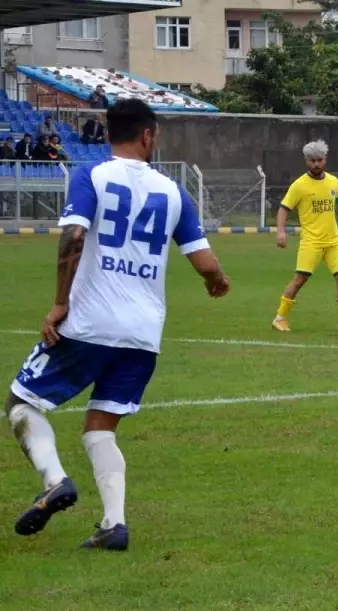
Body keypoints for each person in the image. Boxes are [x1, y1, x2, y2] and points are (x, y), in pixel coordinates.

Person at [5, 98, 231, 551]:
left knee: (19, 402)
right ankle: (113, 525)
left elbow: (73, 233)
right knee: (100, 426)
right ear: (148, 135)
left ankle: (55, 481)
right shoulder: (174, 191)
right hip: (143, 335)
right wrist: (217, 282)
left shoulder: (92, 175)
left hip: (91, 323)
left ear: (110, 133)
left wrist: (58, 303)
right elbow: (205, 261)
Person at [272, 140, 338, 332]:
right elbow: (283, 209)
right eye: (312, 160)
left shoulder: (333, 182)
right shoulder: (299, 185)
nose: (316, 164)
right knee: (300, 279)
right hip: (311, 241)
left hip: (334, 240)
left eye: (319, 160)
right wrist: (280, 231)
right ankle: (280, 318)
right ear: (306, 161)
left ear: (325, 160)